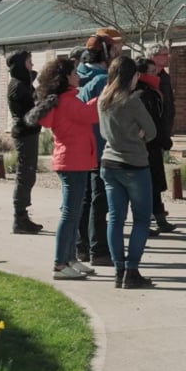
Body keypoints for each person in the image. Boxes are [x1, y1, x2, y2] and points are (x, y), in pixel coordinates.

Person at [26, 54, 98, 280]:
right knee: (70, 213)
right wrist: (102, 95)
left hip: (74, 161)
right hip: (72, 162)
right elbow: (90, 114)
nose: (78, 76)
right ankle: (60, 263)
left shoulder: (65, 99)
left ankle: (70, 259)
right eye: (75, 73)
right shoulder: (68, 101)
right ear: (66, 77)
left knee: (74, 213)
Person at [97, 55, 158, 290]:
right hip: (134, 164)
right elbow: (151, 131)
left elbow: (104, 132)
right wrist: (137, 135)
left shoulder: (102, 99)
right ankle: (132, 270)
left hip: (109, 162)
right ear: (131, 76)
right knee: (141, 219)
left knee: (115, 218)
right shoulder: (132, 101)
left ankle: (118, 269)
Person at [75, 31, 123, 266]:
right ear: (105, 53)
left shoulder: (78, 77)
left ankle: (81, 246)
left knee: (84, 199)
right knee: (99, 199)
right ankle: (99, 250)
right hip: (100, 145)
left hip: (81, 146)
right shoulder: (103, 81)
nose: (117, 52)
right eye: (114, 49)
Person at [6, 50, 44, 234]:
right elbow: (30, 113)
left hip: (29, 133)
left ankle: (22, 216)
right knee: (24, 174)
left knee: (28, 174)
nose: (32, 64)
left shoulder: (24, 83)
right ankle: (19, 218)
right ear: (21, 64)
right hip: (24, 133)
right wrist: (44, 105)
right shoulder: (18, 86)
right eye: (29, 61)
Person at [144, 47, 179, 234]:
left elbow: (167, 108)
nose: (167, 57)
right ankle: (147, 220)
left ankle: (159, 217)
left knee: (156, 181)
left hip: (158, 137)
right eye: (163, 54)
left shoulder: (163, 78)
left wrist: (166, 133)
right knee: (147, 182)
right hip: (146, 141)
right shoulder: (143, 88)